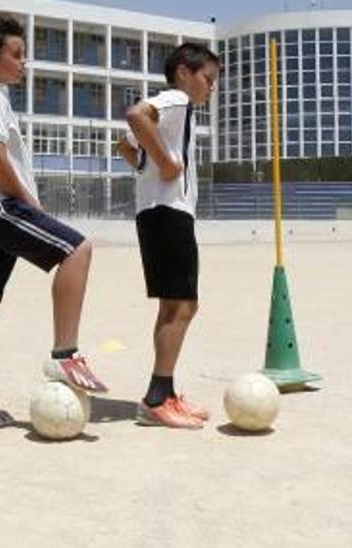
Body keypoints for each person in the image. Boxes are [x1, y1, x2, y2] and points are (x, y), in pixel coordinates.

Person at [0, 12, 108, 430]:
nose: (23, 62)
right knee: (77, 249)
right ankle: (64, 355)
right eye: (16, 54)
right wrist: (30, 207)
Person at [117, 44, 221, 429]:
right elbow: (135, 115)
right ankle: (157, 398)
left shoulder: (175, 112)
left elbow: (125, 143)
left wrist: (149, 163)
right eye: (207, 79)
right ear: (183, 72)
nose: (211, 88)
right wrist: (164, 163)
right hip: (168, 213)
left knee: (175, 305)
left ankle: (166, 391)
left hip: (160, 212)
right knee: (182, 306)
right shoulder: (176, 101)